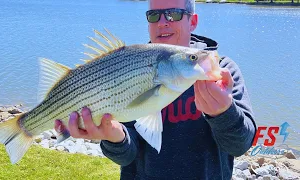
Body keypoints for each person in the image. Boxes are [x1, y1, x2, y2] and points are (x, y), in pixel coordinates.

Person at [54, 0, 256, 179]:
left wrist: (224, 113)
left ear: (192, 21)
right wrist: (115, 137)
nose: (162, 22)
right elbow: (127, 156)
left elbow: (240, 145)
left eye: (174, 14)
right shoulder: (131, 68)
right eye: (154, 15)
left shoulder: (223, 71)